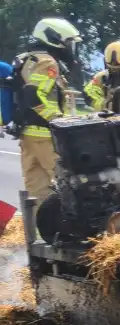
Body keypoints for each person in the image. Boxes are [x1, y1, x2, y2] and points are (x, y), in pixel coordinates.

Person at [15, 18, 81, 210]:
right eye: (68, 43)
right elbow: (33, 95)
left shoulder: (27, 59)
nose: (70, 48)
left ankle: (46, 232)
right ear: (54, 39)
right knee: (70, 183)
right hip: (46, 136)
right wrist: (57, 120)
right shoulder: (47, 61)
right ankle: (74, 230)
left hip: (27, 134)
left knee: (38, 190)